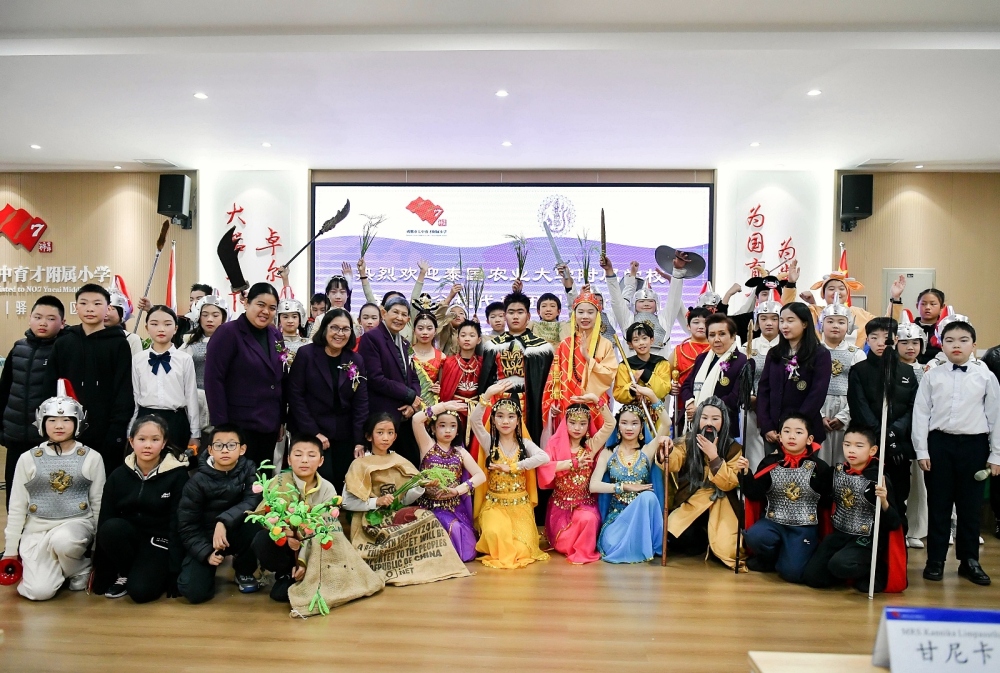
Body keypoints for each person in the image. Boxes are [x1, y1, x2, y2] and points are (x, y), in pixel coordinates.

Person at [913, 315, 1000, 586]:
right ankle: (935, 560)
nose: (956, 345)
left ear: (974, 345)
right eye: (950, 340)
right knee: (938, 504)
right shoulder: (932, 376)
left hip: (974, 446)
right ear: (942, 345)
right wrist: (922, 450)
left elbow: (996, 417)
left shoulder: (986, 376)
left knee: (970, 507)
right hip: (939, 445)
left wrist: (996, 455)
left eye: (963, 340)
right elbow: (921, 413)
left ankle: (969, 560)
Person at [1, 380, 105, 600]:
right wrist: (10, 551)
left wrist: (97, 548)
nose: (59, 425)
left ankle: (79, 568)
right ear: (42, 422)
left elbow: (98, 503)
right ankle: (58, 570)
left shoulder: (92, 457)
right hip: (37, 531)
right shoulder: (27, 459)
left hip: (76, 526)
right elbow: (17, 506)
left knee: (63, 541)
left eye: (66, 420)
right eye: (52, 420)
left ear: (78, 422)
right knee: (39, 592)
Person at [250, 435, 384, 606]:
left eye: (311, 455)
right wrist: (286, 533)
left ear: (321, 461)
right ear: (289, 460)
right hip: (286, 544)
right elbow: (266, 517)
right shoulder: (279, 482)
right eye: (298, 455)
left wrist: (303, 562)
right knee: (261, 540)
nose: (304, 460)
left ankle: (309, 573)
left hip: (314, 547)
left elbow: (325, 528)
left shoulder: (327, 489)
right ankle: (285, 572)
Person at [342, 413, 470, 585]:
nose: (385, 438)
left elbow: (404, 501)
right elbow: (347, 502)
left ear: (395, 436)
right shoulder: (359, 464)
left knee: (428, 517)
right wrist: (376, 502)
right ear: (369, 436)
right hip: (370, 518)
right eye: (380, 432)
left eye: (390, 433)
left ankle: (433, 564)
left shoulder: (400, 461)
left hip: (395, 514)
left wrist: (421, 486)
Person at [92, 415, 190, 602]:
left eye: (155, 440)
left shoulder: (178, 476)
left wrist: (175, 570)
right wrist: (103, 571)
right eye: (142, 439)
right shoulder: (118, 475)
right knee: (110, 527)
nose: (147, 445)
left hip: (158, 542)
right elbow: (105, 518)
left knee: (140, 593)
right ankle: (124, 572)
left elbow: (178, 523)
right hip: (129, 539)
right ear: (131, 441)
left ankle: (148, 573)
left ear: (164, 443)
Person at [803, 423, 907, 593]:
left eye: (859, 446)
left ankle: (873, 569)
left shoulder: (878, 479)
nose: (851, 450)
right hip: (840, 533)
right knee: (813, 577)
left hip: (865, 538)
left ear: (872, 450)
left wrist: (884, 502)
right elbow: (821, 496)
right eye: (847, 444)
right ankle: (846, 571)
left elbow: (894, 522)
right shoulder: (837, 472)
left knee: (839, 564)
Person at [45, 283, 134, 472]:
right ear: (76, 307)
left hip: (107, 431)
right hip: (67, 428)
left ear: (108, 308)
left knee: (103, 480)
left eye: (97, 303)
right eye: (84, 303)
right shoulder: (63, 343)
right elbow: (50, 385)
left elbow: (124, 390)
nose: (90, 309)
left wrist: (117, 431)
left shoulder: (119, 344)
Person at [176, 424, 262, 603]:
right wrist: (205, 552)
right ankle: (206, 567)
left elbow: (253, 501)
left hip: (237, 530)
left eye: (231, 445)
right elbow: (187, 525)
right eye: (218, 445)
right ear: (210, 450)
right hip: (206, 538)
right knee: (194, 592)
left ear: (242, 449)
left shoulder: (250, 470)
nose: (225, 450)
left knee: (256, 521)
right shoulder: (196, 481)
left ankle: (244, 570)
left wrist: (223, 521)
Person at [847, 316, 918, 530]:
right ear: (867, 340)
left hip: (899, 447)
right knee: (867, 495)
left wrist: (895, 432)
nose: (880, 343)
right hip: (869, 445)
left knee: (898, 495)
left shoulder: (907, 372)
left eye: (886, 337)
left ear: (895, 339)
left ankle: (897, 541)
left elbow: (913, 408)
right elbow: (859, 407)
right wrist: (883, 434)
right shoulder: (858, 370)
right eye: (874, 337)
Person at [742, 413, 831, 583]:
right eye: (787, 431)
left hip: (803, 526)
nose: (792, 436)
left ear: (809, 439)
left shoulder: (820, 468)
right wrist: (746, 474)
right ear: (780, 437)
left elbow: (826, 502)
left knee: (792, 573)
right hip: (773, 521)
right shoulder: (770, 462)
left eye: (798, 432)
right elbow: (755, 493)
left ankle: (793, 554)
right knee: (755, 536)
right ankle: (770, 558)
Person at [471, 381, 551, 568]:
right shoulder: (489, 442)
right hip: (494, 506)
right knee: (495, 534)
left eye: (510, 417)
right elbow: (474, 422)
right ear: (493, 420)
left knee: (522, 550)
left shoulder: (524, 444)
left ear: (518, 420)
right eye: (500, 416)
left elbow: (544, 457)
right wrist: (487, 394)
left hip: (520, 506)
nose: (505, 421)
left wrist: (515, 466)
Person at [286, 309, 368, 491]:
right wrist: (314, 432)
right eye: (335, 328)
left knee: (343, 482)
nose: (340, 333)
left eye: (345, 329)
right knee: (317, 483)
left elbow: (361, 402)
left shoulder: (355, 359)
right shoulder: (306, 354)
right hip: (310, 430)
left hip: (344, 433)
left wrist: (359, 440)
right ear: (324, 329)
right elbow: (295, 395)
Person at [204, 282, 284, 467]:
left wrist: (280, 420)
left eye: (272, 308)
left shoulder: (275, 335)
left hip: (269, 424)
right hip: (238, 425)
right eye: (260, 304)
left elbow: (279, 377)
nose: (266, 311)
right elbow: (213, 380)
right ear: (247, 303)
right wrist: (222, 427)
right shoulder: (227, 333)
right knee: (237, 478)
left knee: (262, 477)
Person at [0, 295, 66, 509]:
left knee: (47, 495)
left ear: (62, 323)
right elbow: (4, 390)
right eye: (38, 317)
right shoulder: (18, 349)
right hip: (16, 435)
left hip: (49, 438)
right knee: (15, 494)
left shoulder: (64, 350)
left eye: (51, 318)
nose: (43, 322)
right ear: (29, 318)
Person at [667, 397, 747, 570]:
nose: (709, 423)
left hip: (721, 502)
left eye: (715, 419)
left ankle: (714, 542)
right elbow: (673, 462)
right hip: (693, 500)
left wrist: (714, 457)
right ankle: (703, 541)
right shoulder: (687, 441)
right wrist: (666, 450)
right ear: (698, 419)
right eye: (704, 418)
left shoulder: (733, 448)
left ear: (723, 422)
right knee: (674, 532)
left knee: (728, 549)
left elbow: (729, 483)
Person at [537, 394, 614, 564]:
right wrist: (572, 463)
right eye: (572, 422)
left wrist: (596, 400)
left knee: (587, 519)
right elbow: (544, 467)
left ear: (588, 425)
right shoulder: (554, 444)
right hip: (560, 507)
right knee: (563, 545)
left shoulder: (591, 446)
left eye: (583, 423)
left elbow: (610, 424)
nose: (577, 428)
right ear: (565, 423)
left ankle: (583, 549)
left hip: (585, 504)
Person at [589, 404, 671, 564]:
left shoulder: (647, 451)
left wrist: (652, 396)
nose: (629, 428)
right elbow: (594, 485)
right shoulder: (608, 452)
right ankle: (635, 547)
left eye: (634, 423)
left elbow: (666, 423)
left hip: (641, 519)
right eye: (624, 422)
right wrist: (623, 487)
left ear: (641, 427)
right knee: (611, 544)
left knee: (648, 497)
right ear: (618, 426)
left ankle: (640, 544)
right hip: (617, 518)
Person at [411, 400, 486, 561]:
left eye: (453, 426)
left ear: (458, 430)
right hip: (429, 507)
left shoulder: (460, 452)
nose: (447, 430)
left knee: (459, 532)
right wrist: (443, 406)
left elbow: (480, 476)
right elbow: (416, 419)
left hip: (453, 508)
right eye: (442, 425)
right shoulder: (427, 446)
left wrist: (457, 490)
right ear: (433, 428)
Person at [479, 292, 555, 445]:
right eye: (511, 312)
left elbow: (547, 384)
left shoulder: (542, 348)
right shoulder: (492, 346)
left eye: (520, 312)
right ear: (505, 315)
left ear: (528, 316)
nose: (515, 317)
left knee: (528, 444)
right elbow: (486, 380)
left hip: (530, 403)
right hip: (498, 402)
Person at [756, 302, 833, 449]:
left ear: (804, 323)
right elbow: (764, 390)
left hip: (805, 431)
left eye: (790, 321)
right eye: (782, 321)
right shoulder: (774, 353)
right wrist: (766, 426)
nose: (784, 326)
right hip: (775, 432)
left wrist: (794, 427)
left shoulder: (820, 354)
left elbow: (817, 394)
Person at [357, 295, 423, 467]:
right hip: (382, 416)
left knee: (410, 467)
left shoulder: (405, 343)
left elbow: (413, 376)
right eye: (395, 312)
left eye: (404, 314)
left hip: (405, 417)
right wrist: (409, 395)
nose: (399, 318)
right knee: (382, 469)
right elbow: (375, 378)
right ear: (384, 313)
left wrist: (413, 403)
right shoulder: (372, 338)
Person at [784, 258, 904, 346]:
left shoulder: (859, 314)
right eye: (831, 289)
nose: (837, 292)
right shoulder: (814, 312)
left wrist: (895, 298)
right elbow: (787, 313)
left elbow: (888, 325)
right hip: (818, 365)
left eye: (841, 289)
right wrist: (791, 284)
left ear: (847, 294)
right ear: (823, 294)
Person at [542, 290, 615, 429]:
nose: (585, 316)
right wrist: (553, 401)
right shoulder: (565, 344)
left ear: (597, 315)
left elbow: (609, 375)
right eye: (580, 312)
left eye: (590, 312)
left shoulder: (605, 344)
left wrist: (587, 357)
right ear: (574, 315)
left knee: (596, 439)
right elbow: (554, 376)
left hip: (595, 401)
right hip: (567, 399)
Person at [132, 306, 200, 452]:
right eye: (154, 324)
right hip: (145, 418)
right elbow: (135, 396)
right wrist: (130, 429)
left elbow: (191, 396)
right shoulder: (138, 359)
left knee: (176, 461)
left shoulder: (184, 359)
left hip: (176, 420)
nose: (161, 329)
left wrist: (195, 433)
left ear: (175, 329)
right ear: (147, 327)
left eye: (167, 324)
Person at [603, 256, 685, 358]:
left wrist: (677, 272)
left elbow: (674, 300)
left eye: (650, 301)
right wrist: (609, 272)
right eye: (641, 301)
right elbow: (617, 301)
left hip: (661, 368)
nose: (646, 304)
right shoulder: (628, 320)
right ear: (634, 304)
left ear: (657, 305)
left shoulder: (664, 320)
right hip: (631, 368)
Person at [896, 311, 930, 547]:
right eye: (905, 342)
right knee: (898, 485)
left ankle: (916, 530)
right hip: (898, 431)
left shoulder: (929, 370)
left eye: (915, 342)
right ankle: (898, 528)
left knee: (920, 483)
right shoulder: (890, 369)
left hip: (922, 433)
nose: (910, 347)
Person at [680, 313, 747, 431]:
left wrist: (702, 411)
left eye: (722, 334)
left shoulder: (742, 361)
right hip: (694, 422)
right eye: (712, 335)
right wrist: (690, 403)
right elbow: (686, 385)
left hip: (724, 426)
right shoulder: (702, 358)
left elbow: (735, 397)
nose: (716, 339)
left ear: (733, 336)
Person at [817, 293, 862, 465]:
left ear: (849, 325)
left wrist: (844, 416)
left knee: (843, 460)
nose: (835, 326)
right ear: (821, 324)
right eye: (830, 321)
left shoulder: (856, 354)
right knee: (819, 460)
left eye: (841, 322)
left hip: (847, 406)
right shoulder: (813, 352)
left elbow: (860, 390)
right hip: (819, 405)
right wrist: (819, 415)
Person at [179, 294, 227, 436]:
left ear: (223, 318)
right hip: (195, 399)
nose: (209, 319)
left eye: (215, 315)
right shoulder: (189, 343)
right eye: (205, 315)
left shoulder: (231, 342)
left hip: (222, 399)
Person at [745, 289, 782, 471]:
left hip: (780, 410)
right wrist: (749, 397)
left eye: (774, 319)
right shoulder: (747, 347)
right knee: (753, 457)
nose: (769, 323)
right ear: (757, 321)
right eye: (764, 318)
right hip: (752, 409)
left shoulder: (789, 348)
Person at [613, 322, 672, 427]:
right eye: (636, 340)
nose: (641, 343)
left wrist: (646, 374)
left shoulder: (662, 363)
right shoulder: (624, 366)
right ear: (630, 344)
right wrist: (633, 389)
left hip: (657, 415)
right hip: (633, 417)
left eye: (644, 338)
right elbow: (619, 394)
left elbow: (663, 390)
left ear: (652, 340)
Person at [438, 319, 483, 439]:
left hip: (477, 411)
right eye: (463, 335)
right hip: (454, 410)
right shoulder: (448, 362)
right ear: (458, 339)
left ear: (479, 340)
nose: (467, 339)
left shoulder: (483, 363)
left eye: (471, 335)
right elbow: (444, 391)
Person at [411, 311, 446, 407]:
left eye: (429, 328)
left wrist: (439, 389)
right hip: (409, 403)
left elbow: (443, 385)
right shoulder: (406, 353)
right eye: (420, 328)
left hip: (431, 404)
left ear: (435, 331)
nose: (425, 332)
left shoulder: (442, 357)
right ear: (414, 330)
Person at [106, 276, 143, 357]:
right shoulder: (92, 336)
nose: (106, 313)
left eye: (111, 309)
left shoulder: (132, 339)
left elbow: (137, 363)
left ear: (121, 313)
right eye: (103, 309)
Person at [914, 288, 946, 364]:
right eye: (923, 304)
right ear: (917, 306)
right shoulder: (910, 328)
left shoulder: (946, 329)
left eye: (933, 304)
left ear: (942, 307)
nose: (927, 307)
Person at [276, 297, 308, 365]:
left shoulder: (308, 343)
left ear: (300, 319)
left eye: (294, 317)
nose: (290, 321)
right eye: (285, 317)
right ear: (278, 320)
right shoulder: (274, 344)